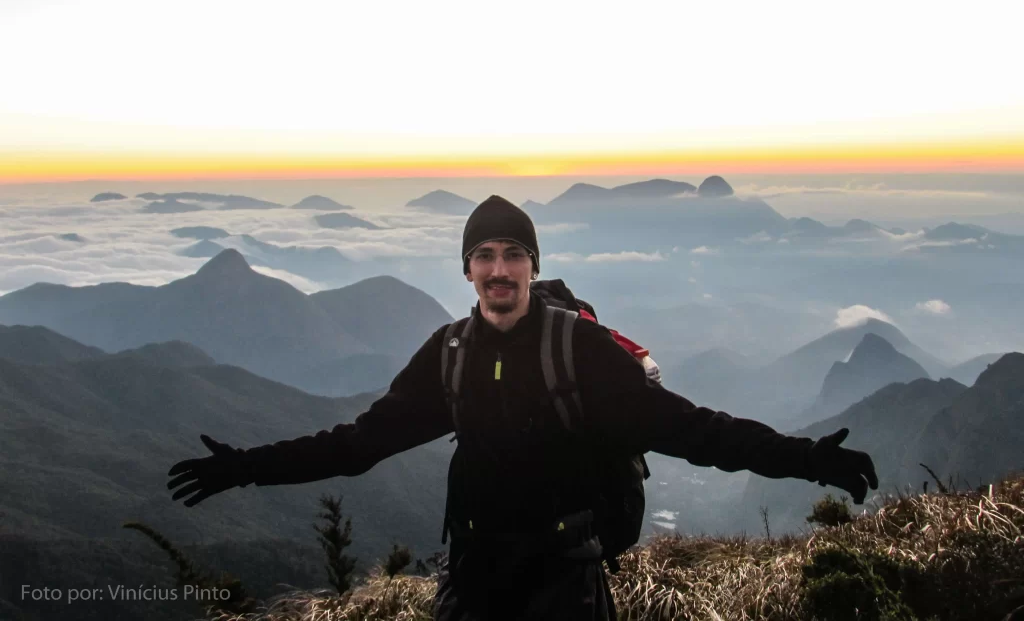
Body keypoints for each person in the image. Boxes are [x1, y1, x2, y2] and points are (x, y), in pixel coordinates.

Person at [168, 194, 878, 620]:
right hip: (472, 576)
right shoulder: (448, 355)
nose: (499, 268)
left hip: (566, 580)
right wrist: (245, 468)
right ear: (468, 268)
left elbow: (691, 430)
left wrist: (807, 459)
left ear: (533, 266)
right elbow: (358, 446)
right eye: (484, 254)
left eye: (513, 253)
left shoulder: (580, 352)